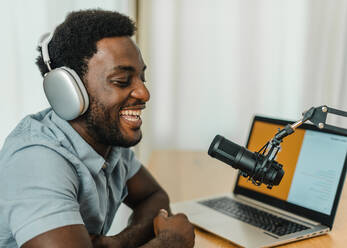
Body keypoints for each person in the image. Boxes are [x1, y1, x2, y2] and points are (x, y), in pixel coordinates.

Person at [0, 9, 195, 248]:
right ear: (69, 91)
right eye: (122, 80)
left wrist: (119, 243)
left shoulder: (107, 140)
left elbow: (154, 198)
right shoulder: (36, 161)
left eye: (141, 78)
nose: (144, 93)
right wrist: (171, 242)